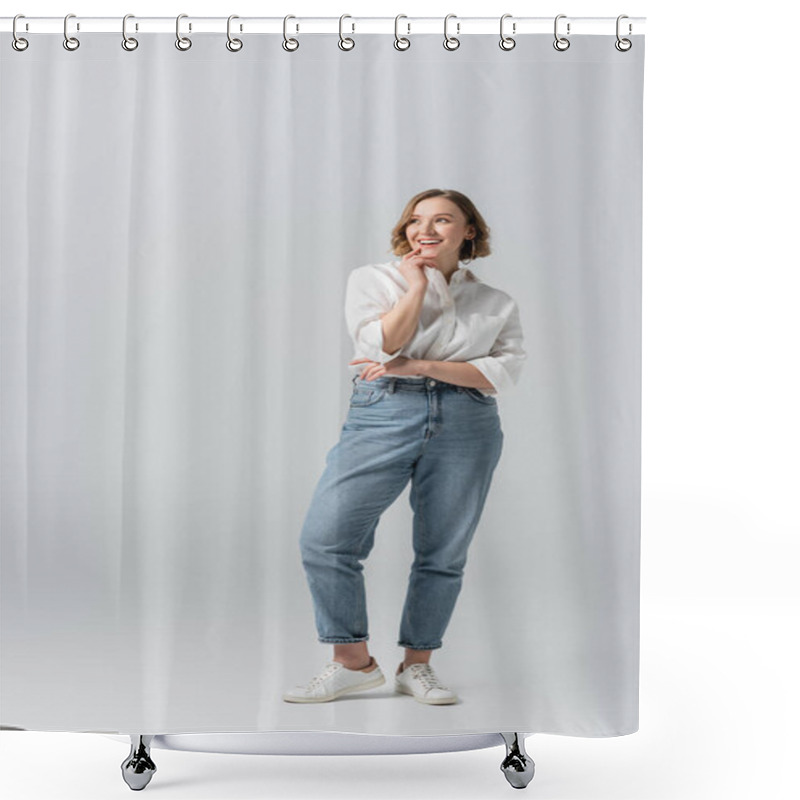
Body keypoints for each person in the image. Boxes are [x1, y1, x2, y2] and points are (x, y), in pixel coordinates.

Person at [283, 188, 526, 705]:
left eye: (443, 220)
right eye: (417, 221)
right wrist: (415, 287)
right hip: (384, 411)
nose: (426, 231)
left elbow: (500, 373)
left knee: (442, 551)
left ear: (469, 232)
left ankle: (418, 665)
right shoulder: (374, 280)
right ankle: (354, 663)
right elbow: (381, 345)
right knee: (325, 539)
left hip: (468, 420)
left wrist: (423, 366)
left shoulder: (496, 303)